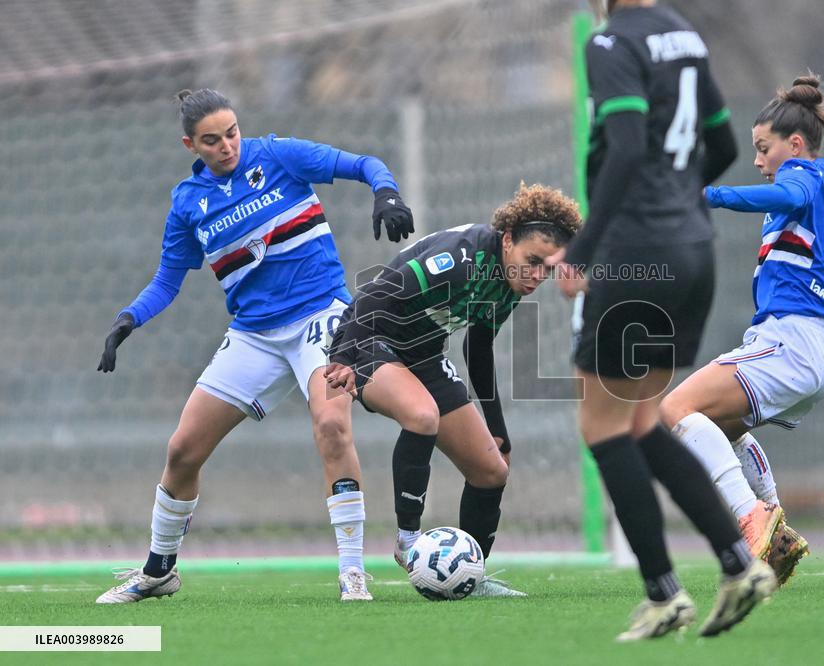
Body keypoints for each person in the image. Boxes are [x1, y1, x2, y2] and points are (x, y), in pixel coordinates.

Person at [94, 88, 414, 604]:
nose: (228, 146)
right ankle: (158, 571)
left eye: (232, 132)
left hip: (321, 317)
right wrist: (129, 318)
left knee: (331, 424)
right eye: (212, 140)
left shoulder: (277, 154)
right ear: (190, 144)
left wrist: (387, 192)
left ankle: (353, 572)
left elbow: (364, 163)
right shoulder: (187, 204)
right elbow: (168, 281)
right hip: (254, 335)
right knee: (182, 450)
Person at [546, 0, 776, 641]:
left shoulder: (611, 43)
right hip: (693, 251)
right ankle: (737, 564)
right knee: (644, 421)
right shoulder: (684, 34)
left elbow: (624, 149)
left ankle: (664, 594)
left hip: (636, 254)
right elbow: (725, 141)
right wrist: (677, 200)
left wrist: (583, 253)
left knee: (602, 426)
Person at [659, 73, 824, 585]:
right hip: (822, 349)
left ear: (795, 145)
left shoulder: (801, 178)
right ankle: (776, 524)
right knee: (717, 429)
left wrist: (708, 195)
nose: (759, 162)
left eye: (764, 148)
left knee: (673, 409)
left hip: (791, 339)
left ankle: (751, 517)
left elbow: (788, 194)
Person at [324, 183, 581, 597]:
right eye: (533, 262)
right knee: (421, 415)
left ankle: (468, 578)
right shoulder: (462, 259)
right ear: (508, 239)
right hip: (368, 338)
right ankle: (408, 541)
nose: (537, 276)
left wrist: (499, 431)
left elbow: (477, 347)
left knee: (491, 470)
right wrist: (343, 356)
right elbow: (376, 296)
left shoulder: (509, 280)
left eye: (547, 269)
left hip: (422, 353)